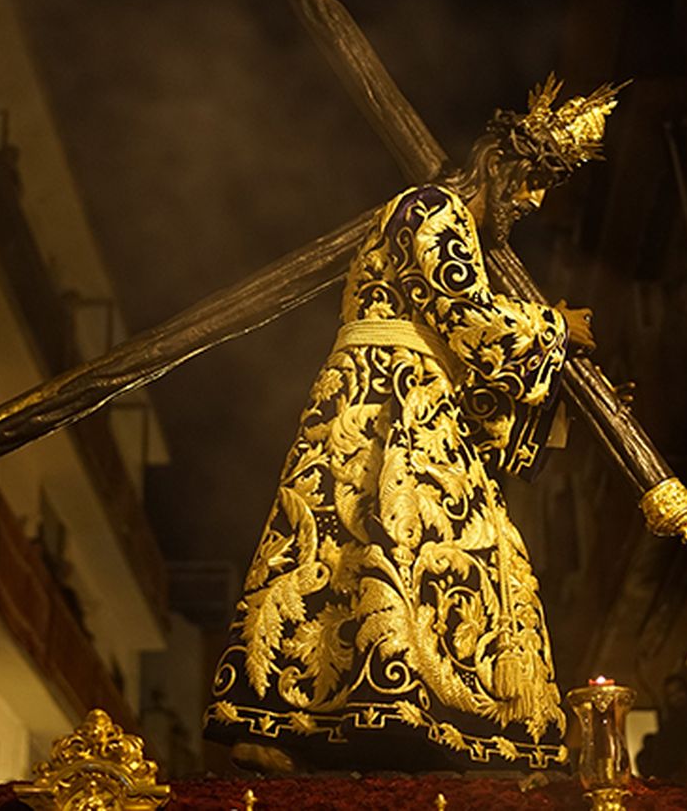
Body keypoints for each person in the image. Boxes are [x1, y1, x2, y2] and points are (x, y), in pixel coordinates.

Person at [203, 76, 615, 773]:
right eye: (536, 179)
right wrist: (554, 327)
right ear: (500, 165)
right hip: (387, 401)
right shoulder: (432, 209)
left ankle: (393, 713)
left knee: (375, 545)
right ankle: (302, 716)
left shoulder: (434, 219)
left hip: (412, 397)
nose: (537, 200)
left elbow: (469, 364)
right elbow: (467, 316)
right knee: (370, 542)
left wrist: (548, 403)